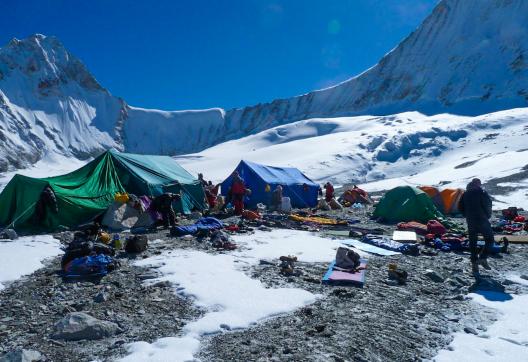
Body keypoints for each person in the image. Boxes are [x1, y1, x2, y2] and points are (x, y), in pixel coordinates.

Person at [458, 178, 494, 276]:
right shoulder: (481, 192)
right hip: (482, 219)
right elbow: (488, 205)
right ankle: (482, 258)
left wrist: (467, 215)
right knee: (490, 239)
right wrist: (487, 216)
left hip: (471, 221)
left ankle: (474, 265)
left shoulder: (465, 194)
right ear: (477, 184)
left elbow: (460, 207)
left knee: (473, 242)